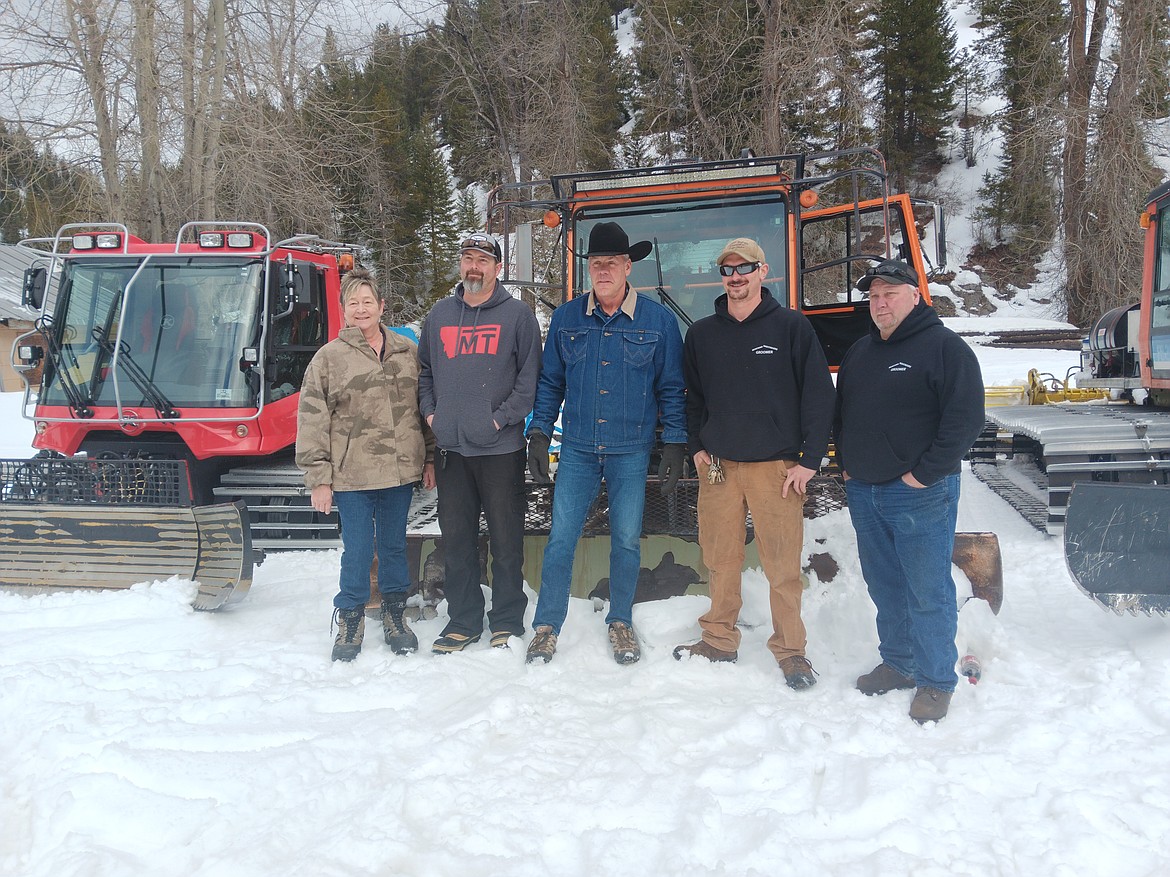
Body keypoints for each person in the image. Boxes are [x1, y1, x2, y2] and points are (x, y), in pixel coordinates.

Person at [672, 238, 834, 690]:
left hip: (776, 470)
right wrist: (697, 447)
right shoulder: (702, 334)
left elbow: (820, 398)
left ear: (764, 272)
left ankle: (792, 651)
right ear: (720, 277)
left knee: (782, 565)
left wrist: (809, 461)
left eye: (745, 268)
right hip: (720, 467)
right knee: (720, 558)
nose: (736, 277)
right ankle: (719, 639)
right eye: (728, 270)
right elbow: (692, 400)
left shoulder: (791, 329)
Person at [525, 221, 687, 665]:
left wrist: (674, 442)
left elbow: (672, 387)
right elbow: (550, 383)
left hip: (631, 449)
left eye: (611, 263)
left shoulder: (658, 321)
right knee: (561, 538)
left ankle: (620, 621)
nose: (602, 271)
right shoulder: (566, 319)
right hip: (577, 447)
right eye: (595, 264)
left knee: (627, 541)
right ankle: (546, 626)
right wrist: (538, 431)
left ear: (627, 266)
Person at [834, 258, 985, 723]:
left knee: (927, 589)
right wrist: (847, 467)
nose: (880, 303)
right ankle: (899, 663)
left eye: (890, 294)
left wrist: (925, 474)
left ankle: (937, 680)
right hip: (866, 490)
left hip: (920, 493)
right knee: (884, 585)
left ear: (915, 296)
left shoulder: (944, 348)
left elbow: (965, 421)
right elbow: (842, 413)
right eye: (874, 296)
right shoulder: (861, 351)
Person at [296, 269, 435, 662]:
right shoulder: (329, 359)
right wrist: (319, 479)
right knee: (357, 551)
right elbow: (311, 420)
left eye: (367, 302)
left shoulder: (406, 352)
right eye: (353, 303)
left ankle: (394, 613)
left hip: (398, 474)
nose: (361, 309)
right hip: (351, 475)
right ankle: (351, 616)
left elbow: (420, 408)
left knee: (394, 548)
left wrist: (429, 457)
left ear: (381, 306)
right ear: (343, 310)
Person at [418, 233, 542, 653]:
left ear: (497, 267)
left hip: (500, 451)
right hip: (452, 451)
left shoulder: (517, 316)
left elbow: (529, 383)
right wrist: (433, 415)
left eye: (483, 260)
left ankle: (506, 619)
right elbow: (424, 374)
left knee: (507, 542)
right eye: (467, 258)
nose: (474, 267)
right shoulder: (438, 316)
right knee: (457, 542)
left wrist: (497, 420)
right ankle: (464, 620)